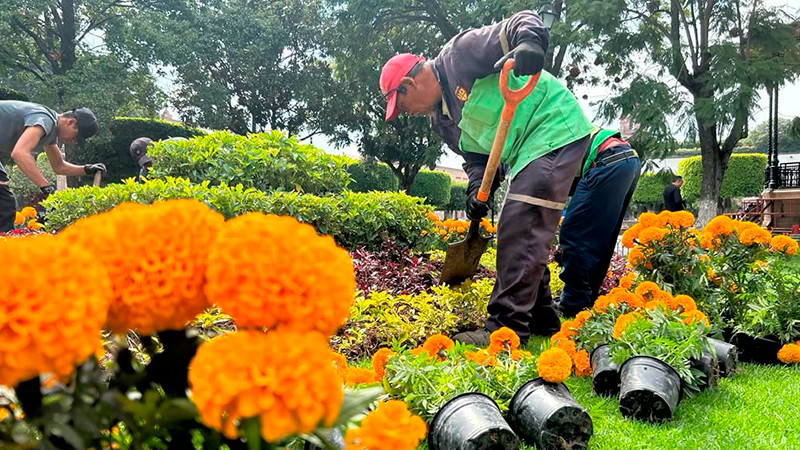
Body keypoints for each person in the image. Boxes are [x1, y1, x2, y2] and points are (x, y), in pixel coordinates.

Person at [380, 10, 595, 346]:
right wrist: (477, 188)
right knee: (524, 227)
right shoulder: (442, 122)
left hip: (553, 127)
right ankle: (541, 317)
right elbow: (476, 159)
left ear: (408, 84)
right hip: (525, 150)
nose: (405, 112)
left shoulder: (459, 56)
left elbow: (519, 21)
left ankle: (505, 329)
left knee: (521, 220)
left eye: (401, 103)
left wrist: (528, 42)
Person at [554, 127, 641, 317]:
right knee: (603, 238)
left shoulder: (540, 143)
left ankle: (573, 303)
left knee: (573, 234)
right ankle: (586, 300)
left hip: (606, 160)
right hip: (626, 159)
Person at [0, 100, 105, 232]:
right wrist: (46, 188)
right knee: (3, 202)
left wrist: (86, 169)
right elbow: (20, 153)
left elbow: (58, 166)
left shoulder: (50, 131)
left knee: (3, 201)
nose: (73, 141)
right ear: (71, 122)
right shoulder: (45, 120)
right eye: (76, 137)